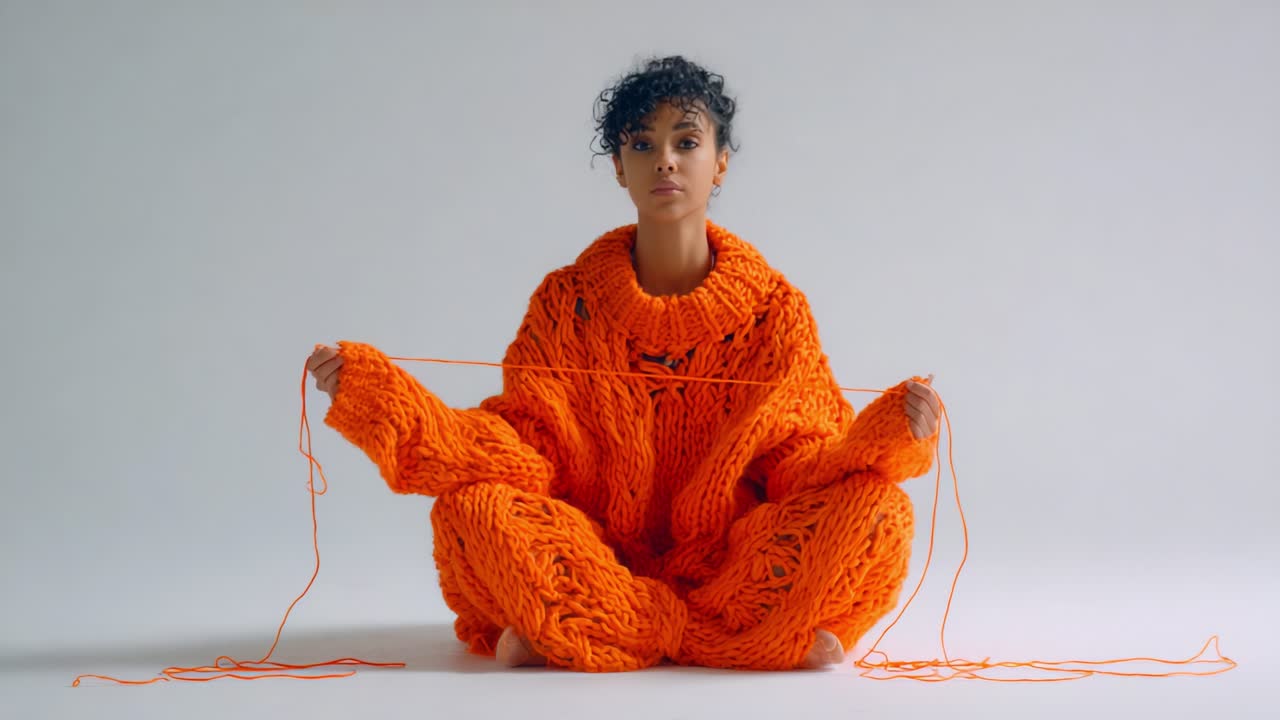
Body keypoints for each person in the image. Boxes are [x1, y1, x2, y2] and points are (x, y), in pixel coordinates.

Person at [306, 55, 940, 672]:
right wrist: (384, 400)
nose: (665, 159)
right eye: (641, 144)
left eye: (686, 142)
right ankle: (750, 634)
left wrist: (889, 433)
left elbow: (801, 461)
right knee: (470, 510)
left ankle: (574, 627)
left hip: (733, 567)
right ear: (618, 167)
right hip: (587, 555)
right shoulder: (568, 302)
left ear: (720, 162)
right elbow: (522, 447)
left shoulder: (774, 309)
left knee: (878, 508)